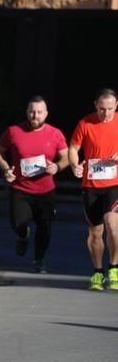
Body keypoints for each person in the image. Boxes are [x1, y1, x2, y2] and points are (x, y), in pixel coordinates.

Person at [0, 96, 69, 273]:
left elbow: (65, 157)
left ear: (46, 114)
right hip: (20, 188)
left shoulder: (55, 134)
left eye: (39, 112)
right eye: (32, 111)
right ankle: (22, 235)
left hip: (45, 190)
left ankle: (39, 260)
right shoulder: (14, 131)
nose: (35, 115)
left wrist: (57, 167)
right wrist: (6, 169)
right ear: (27, 112)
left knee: (45, 227)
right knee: (18, 224)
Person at [69, 88, 118, 291]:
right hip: (90, 185)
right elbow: (73, 148)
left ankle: (114, 267)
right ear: (95, 105)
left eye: (109, 109)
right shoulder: (85, 123)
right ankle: (97, 272)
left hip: (114, 183)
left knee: (112, 222)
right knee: (95, 232)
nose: (105, 114)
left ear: (116, 106)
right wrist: (74, 165)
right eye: (101, 109)